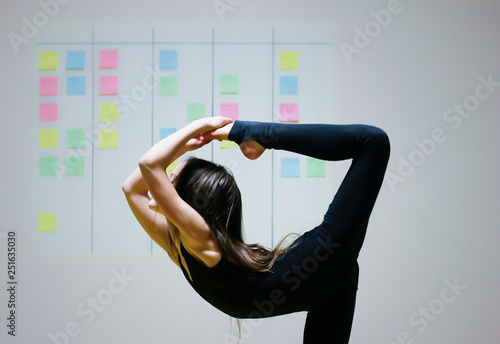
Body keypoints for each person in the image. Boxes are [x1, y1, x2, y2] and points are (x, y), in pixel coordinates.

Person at [122, 116, 390, 343]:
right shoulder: (181, 243)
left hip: (323, 257)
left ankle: (255, 134)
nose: (163, 180)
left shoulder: (198, 237)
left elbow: (149, 166)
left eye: (172, 177)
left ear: (189, 200)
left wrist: (202, 127)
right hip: (325, 285)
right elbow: (132, 187)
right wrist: (187, 143)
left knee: (373, 142)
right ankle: (254, 136)